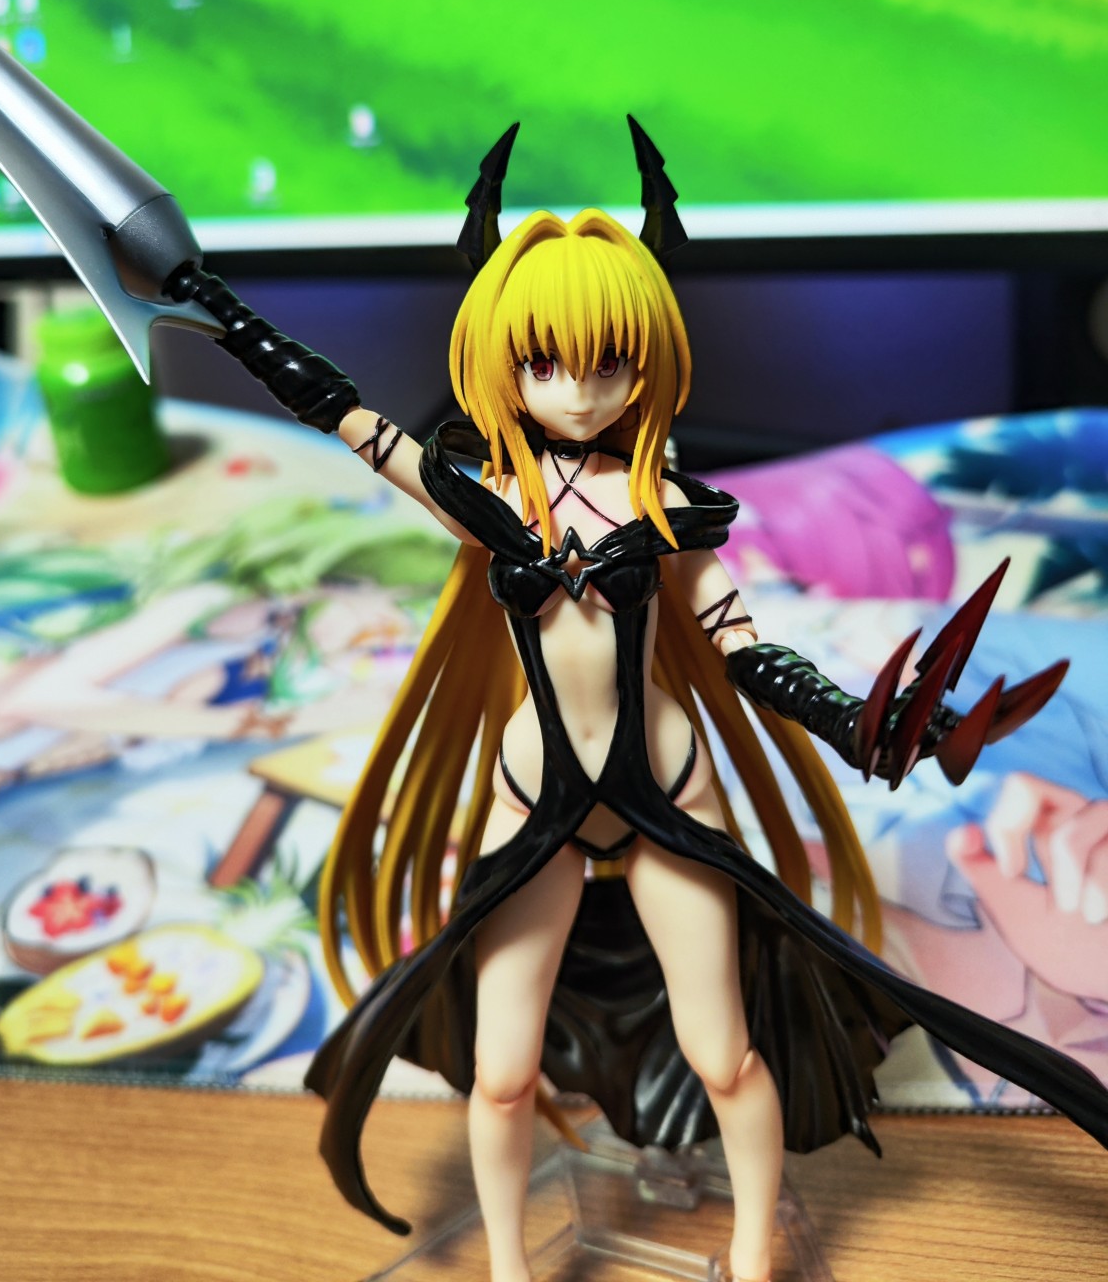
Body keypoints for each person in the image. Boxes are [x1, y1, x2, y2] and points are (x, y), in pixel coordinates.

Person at [159, 120, 1108, 1282]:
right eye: (547, 363)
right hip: (534, 792)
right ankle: (511, 1266)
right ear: (504, 360)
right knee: (502, 1072)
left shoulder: (664, 504)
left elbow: (742, 643)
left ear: (644, 361)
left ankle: (752, 1245)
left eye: (608, 362)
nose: (579, 389)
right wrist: (213, 303)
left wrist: (854, 721)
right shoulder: (488, 498)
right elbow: (347, 416)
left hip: (665, 787)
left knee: (727, 1055)